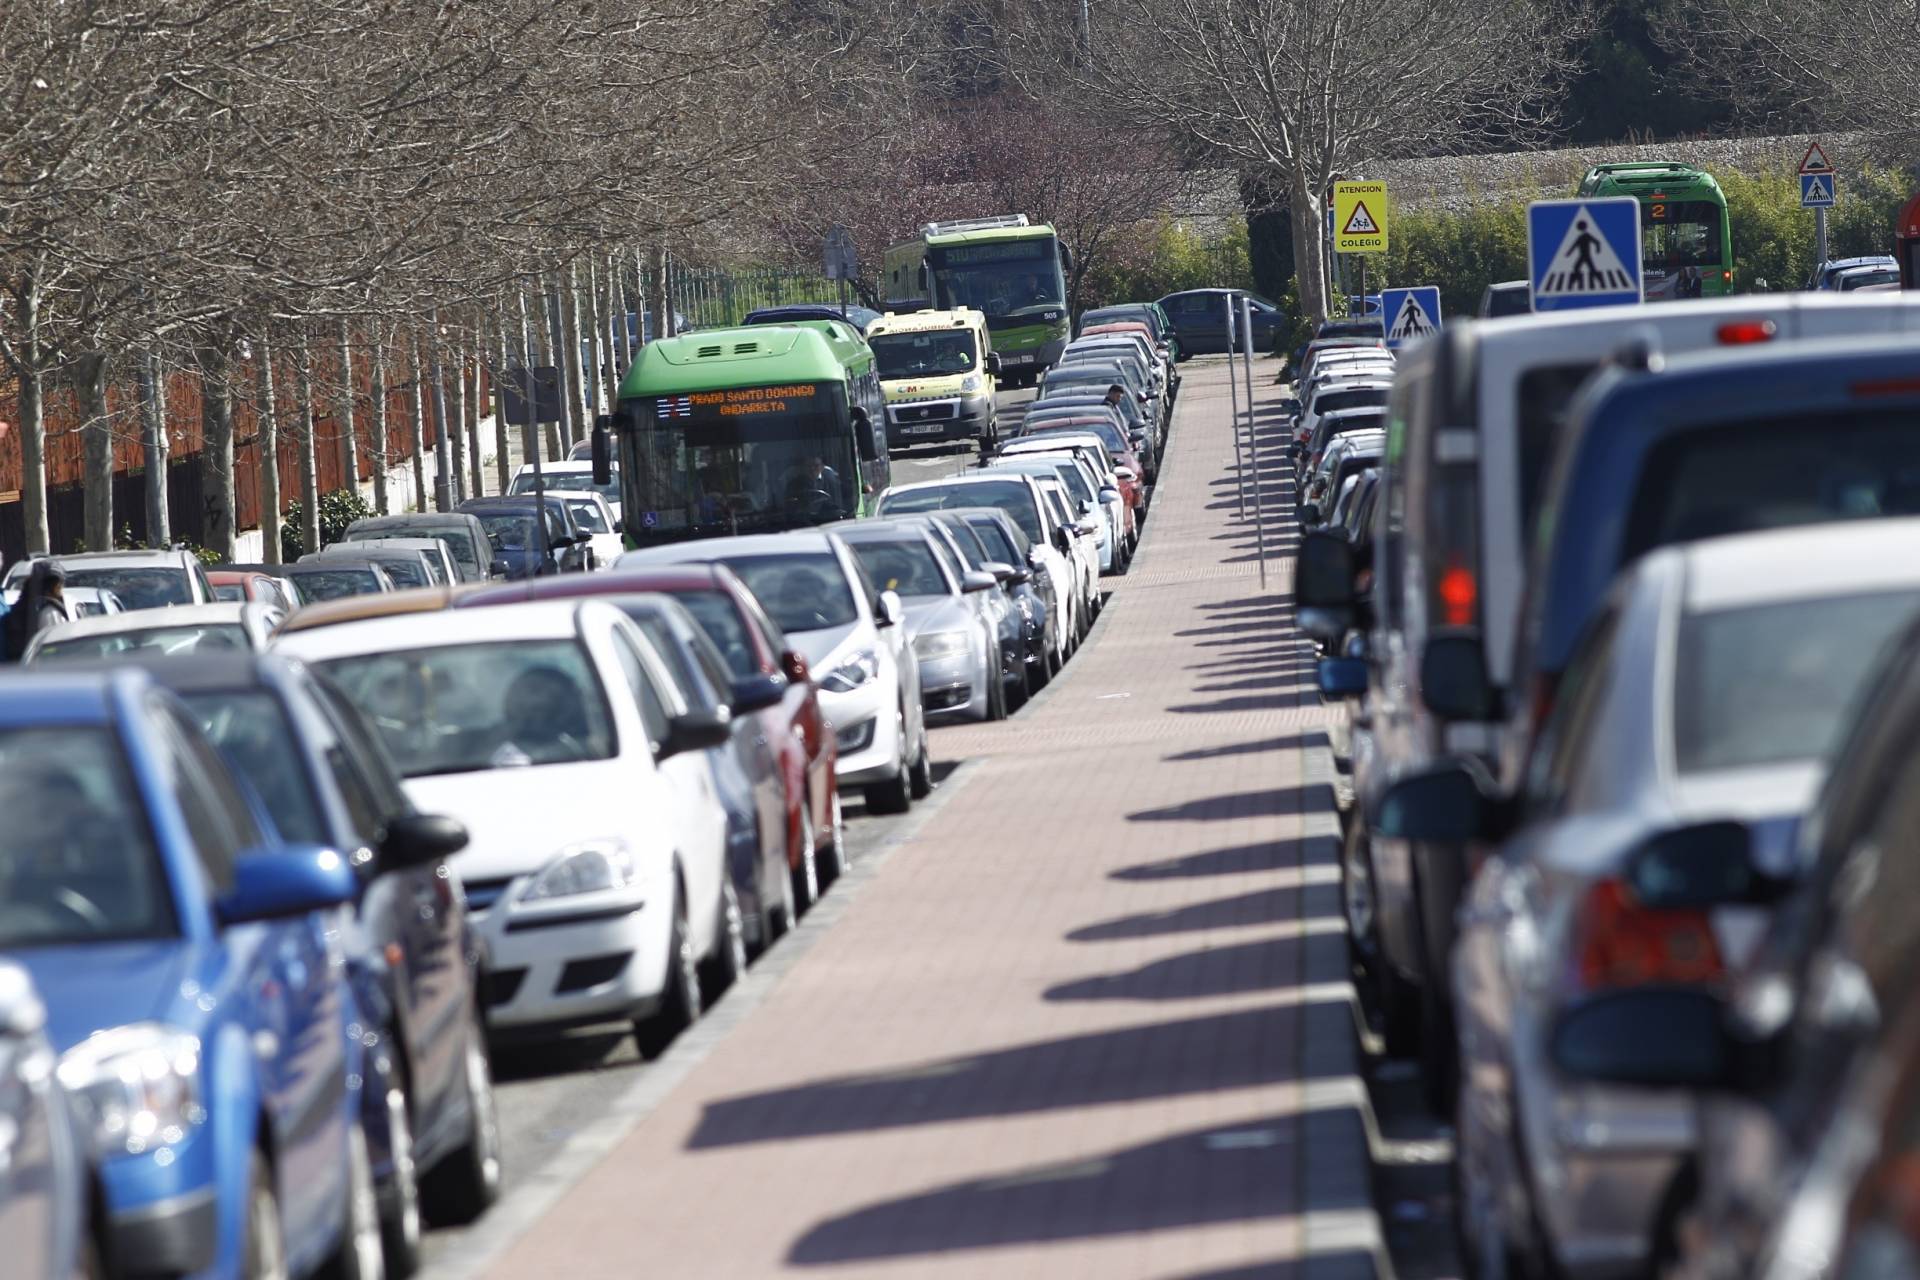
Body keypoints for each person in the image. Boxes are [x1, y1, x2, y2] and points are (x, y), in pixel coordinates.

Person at [4, 560, 68, 661]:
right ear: (56, 586)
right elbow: (56, 646)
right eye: (60, 584)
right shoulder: (50, 612)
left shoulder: (23, 608)